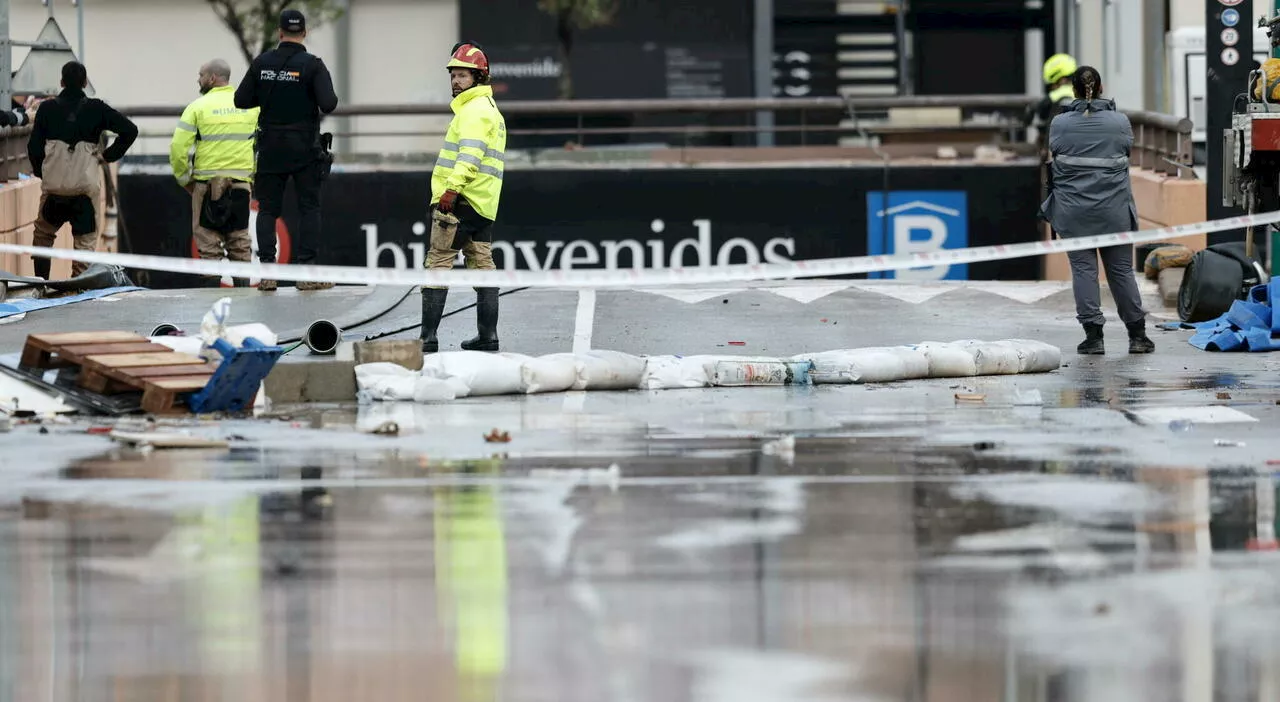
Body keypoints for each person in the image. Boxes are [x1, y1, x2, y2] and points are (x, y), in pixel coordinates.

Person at [1041, 65, 1155, 356]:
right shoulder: (1120, 122)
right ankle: (1138, 336)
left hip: (1073, 212)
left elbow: (1055, 152)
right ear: (1101, 88)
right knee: (1121, 272)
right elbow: (1126, 150)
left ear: (1074, 90)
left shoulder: (1059, 124)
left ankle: (1093, 338)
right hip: (1114, 210)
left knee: (1083, 271)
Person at [234, 8, 338, 292]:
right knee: (309, 209)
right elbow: (329, 103)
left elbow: (241, 100)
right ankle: (306, 274)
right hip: (305, 148)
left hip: (270, 148)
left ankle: (268, 273)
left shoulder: (262, 63)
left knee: (268, 209)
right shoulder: (313, 65)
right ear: (304, 32)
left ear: (280, 32)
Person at [420, 41, 508, 353]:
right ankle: (488, 337)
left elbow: (469, 157)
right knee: (483, 267)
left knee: (438, 263)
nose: (456, 81)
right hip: (483, 206)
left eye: (463, 76)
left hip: (458, 203)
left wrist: (451, 190)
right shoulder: (492, 111)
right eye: (454, 75)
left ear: (479, 78)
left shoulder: (473, 111)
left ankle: (427, 339)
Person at [26, 61, 137, 280]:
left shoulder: (47, 109)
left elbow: (34, 147)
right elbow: (130, 130)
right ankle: (79, 290)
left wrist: (44, 173)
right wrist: (107, 157)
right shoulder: (97, 108)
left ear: (61, 82)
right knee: (85, 245)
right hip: (85, 192)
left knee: (43, 235)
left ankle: (41, 283)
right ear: (85, 83)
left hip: (54, 191)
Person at [170, 59, 260, 288]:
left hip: (206, 186)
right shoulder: (251, 106)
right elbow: (262, 144)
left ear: (212, 78)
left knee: (209, 249)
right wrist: (252, 176)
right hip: (240, 185)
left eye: (201, 75)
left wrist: (185, 181)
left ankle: (210, 307)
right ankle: (244, 304)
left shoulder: (197, 107)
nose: (198, 79)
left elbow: (178, 149)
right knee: (240, 245)